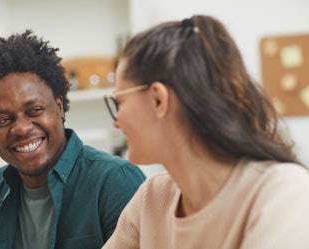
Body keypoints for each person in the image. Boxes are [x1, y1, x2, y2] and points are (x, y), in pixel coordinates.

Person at [102, 15, 309, 249]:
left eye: (119, 103)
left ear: (158, 100)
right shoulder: (151, 198)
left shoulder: (282, 193)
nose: (116, 122)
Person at [0, 30, 146, 249]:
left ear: (59, 107)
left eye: (35, 110)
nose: (21, 128)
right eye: (2, 120)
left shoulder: (114, 181)